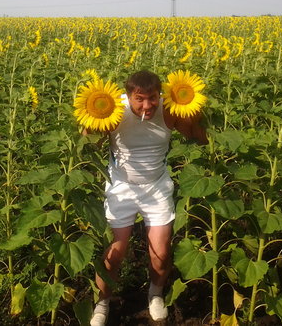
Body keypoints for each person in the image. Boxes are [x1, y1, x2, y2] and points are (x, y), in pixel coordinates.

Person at [89, 70, 208, 326]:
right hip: (121, 187)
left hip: (156, 187)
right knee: (114, 254)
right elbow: (90, 142)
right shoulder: (113, 110)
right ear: (128, 96)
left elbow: (199, 138)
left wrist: (194, 115)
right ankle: (102, 302)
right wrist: (93, 124)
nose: (147, 106)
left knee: (161, 253)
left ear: (159, 94)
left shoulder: (170, 110)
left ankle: (155, 295)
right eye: (139, 99)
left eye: (152, 98)